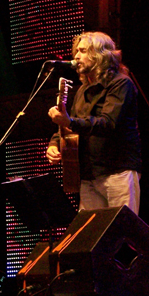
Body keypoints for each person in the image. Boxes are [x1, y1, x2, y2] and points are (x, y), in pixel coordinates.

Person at [46, 31, 141, 214]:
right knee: (91, 234)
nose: (76, 56)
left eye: (83, 51)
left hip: (117, 171)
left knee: (122, 232)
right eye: (76, 51)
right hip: (89, 174)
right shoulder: (82, 91)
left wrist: (70, 121)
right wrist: (54, 143)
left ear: (99, 55)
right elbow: (71, 125)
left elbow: (108, 123)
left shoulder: (121, 84)